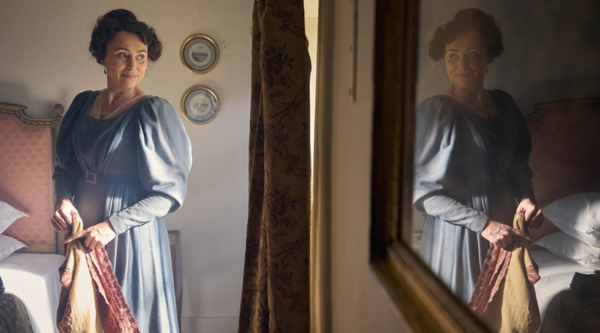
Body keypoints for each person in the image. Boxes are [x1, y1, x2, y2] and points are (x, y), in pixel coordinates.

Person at [50, 9, 191, 332]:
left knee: (128, 316)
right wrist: (64, 200)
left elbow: (168, 195)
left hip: (129, 235)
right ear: (102, 57)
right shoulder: (81, 105)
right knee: (88, 316)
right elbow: (65, 170)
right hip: (84, 231)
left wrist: (112, 226)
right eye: (123, 55)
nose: (133, 66)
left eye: (141, 57)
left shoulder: (154, 112)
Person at [413, 8, 543, 305]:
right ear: (444, 60)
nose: (462, 65)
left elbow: (518, 167)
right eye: (452, 55)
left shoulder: (505, 105)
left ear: (488, 59)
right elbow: (424, 194)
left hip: (505, 228)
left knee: (506, 312)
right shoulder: (437, 113)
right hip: (459, 235)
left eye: (472, 54)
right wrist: (483, 224)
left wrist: (525, 198)